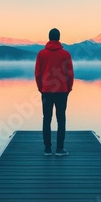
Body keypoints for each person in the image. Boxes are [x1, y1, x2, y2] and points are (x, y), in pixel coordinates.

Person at [35, 28, 74, 156]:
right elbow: (70, 74)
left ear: (49, 37)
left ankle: (47, 149)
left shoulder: (41, 54)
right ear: (59, 38)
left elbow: (38, 74)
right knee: (61, 119)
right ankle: (59, 149)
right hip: (62, 91)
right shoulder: (65, 54)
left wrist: (41, 88)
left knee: (46, 119)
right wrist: (68, 88)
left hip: (46, 91)